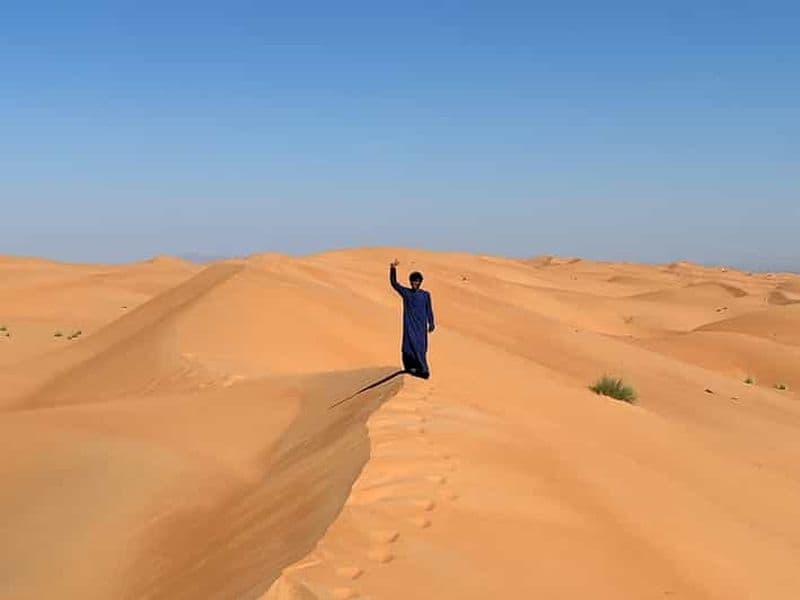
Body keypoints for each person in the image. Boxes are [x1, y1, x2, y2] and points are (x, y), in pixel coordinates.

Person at [389, 259, 435, 378]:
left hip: (421, 328)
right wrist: (393, 269)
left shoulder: (425, 295)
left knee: (421, 347)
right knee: (408, 347)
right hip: (410, 327)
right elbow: (394, 284)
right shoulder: (406, 293)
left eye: (417, 281)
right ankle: (410, 368)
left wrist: (431, 322)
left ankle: (423, 370)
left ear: (420, 282)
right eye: (413, 281)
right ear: (410, 282)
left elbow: (429, 309)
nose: (415, 283)